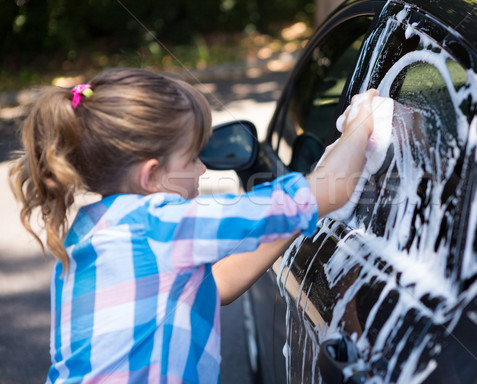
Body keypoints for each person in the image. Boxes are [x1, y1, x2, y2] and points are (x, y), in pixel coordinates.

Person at [9, 67, 377, 383]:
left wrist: (294, 221)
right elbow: (334, 187)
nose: (203, 169)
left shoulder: (89, 231)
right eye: (192, 158)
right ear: (151, 176)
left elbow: (212, 286)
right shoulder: (162, 225)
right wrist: (361, 124)